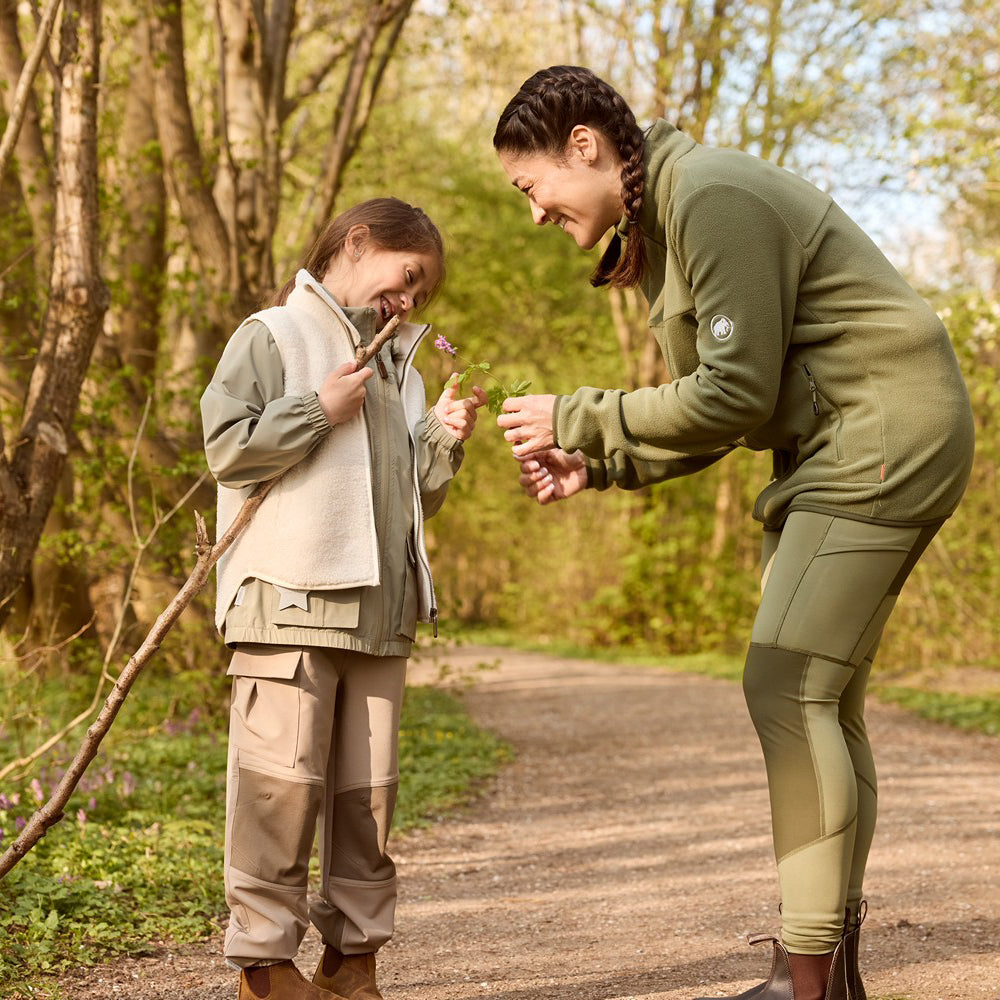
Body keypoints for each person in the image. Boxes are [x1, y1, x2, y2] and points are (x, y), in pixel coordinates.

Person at [492, 65, 974, 1000]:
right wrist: (602, 462)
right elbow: (723, 410)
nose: (536, 214)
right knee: (820, 698)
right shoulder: (664, 218)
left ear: (583, 146)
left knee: (786, 687)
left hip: (878, 435)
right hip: (859, 436)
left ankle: (807, 985)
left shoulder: (707, 195)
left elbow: (733, 393)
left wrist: (577, 416)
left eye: (531, 188)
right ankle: (825, 976)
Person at [201, 197, 486, 1000]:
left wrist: (442, 439)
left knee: (368, 802)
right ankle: (263, 968)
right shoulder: (273, 335)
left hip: (380, 614)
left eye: (422, 296)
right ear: (358, 242)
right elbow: (228, 448)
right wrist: (317, 410)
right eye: (406, 279)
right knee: (277, 791)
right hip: (287, 603)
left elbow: (403, 497)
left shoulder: (402, 367)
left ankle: (352, 962)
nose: (409, 303)